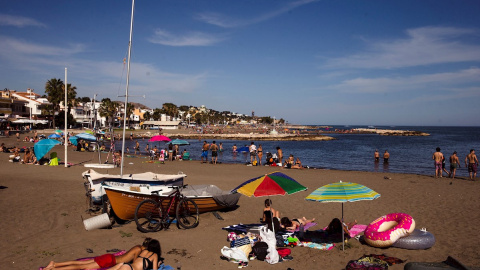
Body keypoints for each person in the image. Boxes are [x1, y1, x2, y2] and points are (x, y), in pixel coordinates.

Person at [44, 238, 154, 270]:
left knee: (81, 263)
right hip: (110, 261)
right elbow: (134, 264)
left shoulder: (136, 246)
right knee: (82, 267)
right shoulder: (139, 250)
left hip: (109, 257)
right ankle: (54, 269)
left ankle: (55, 264)